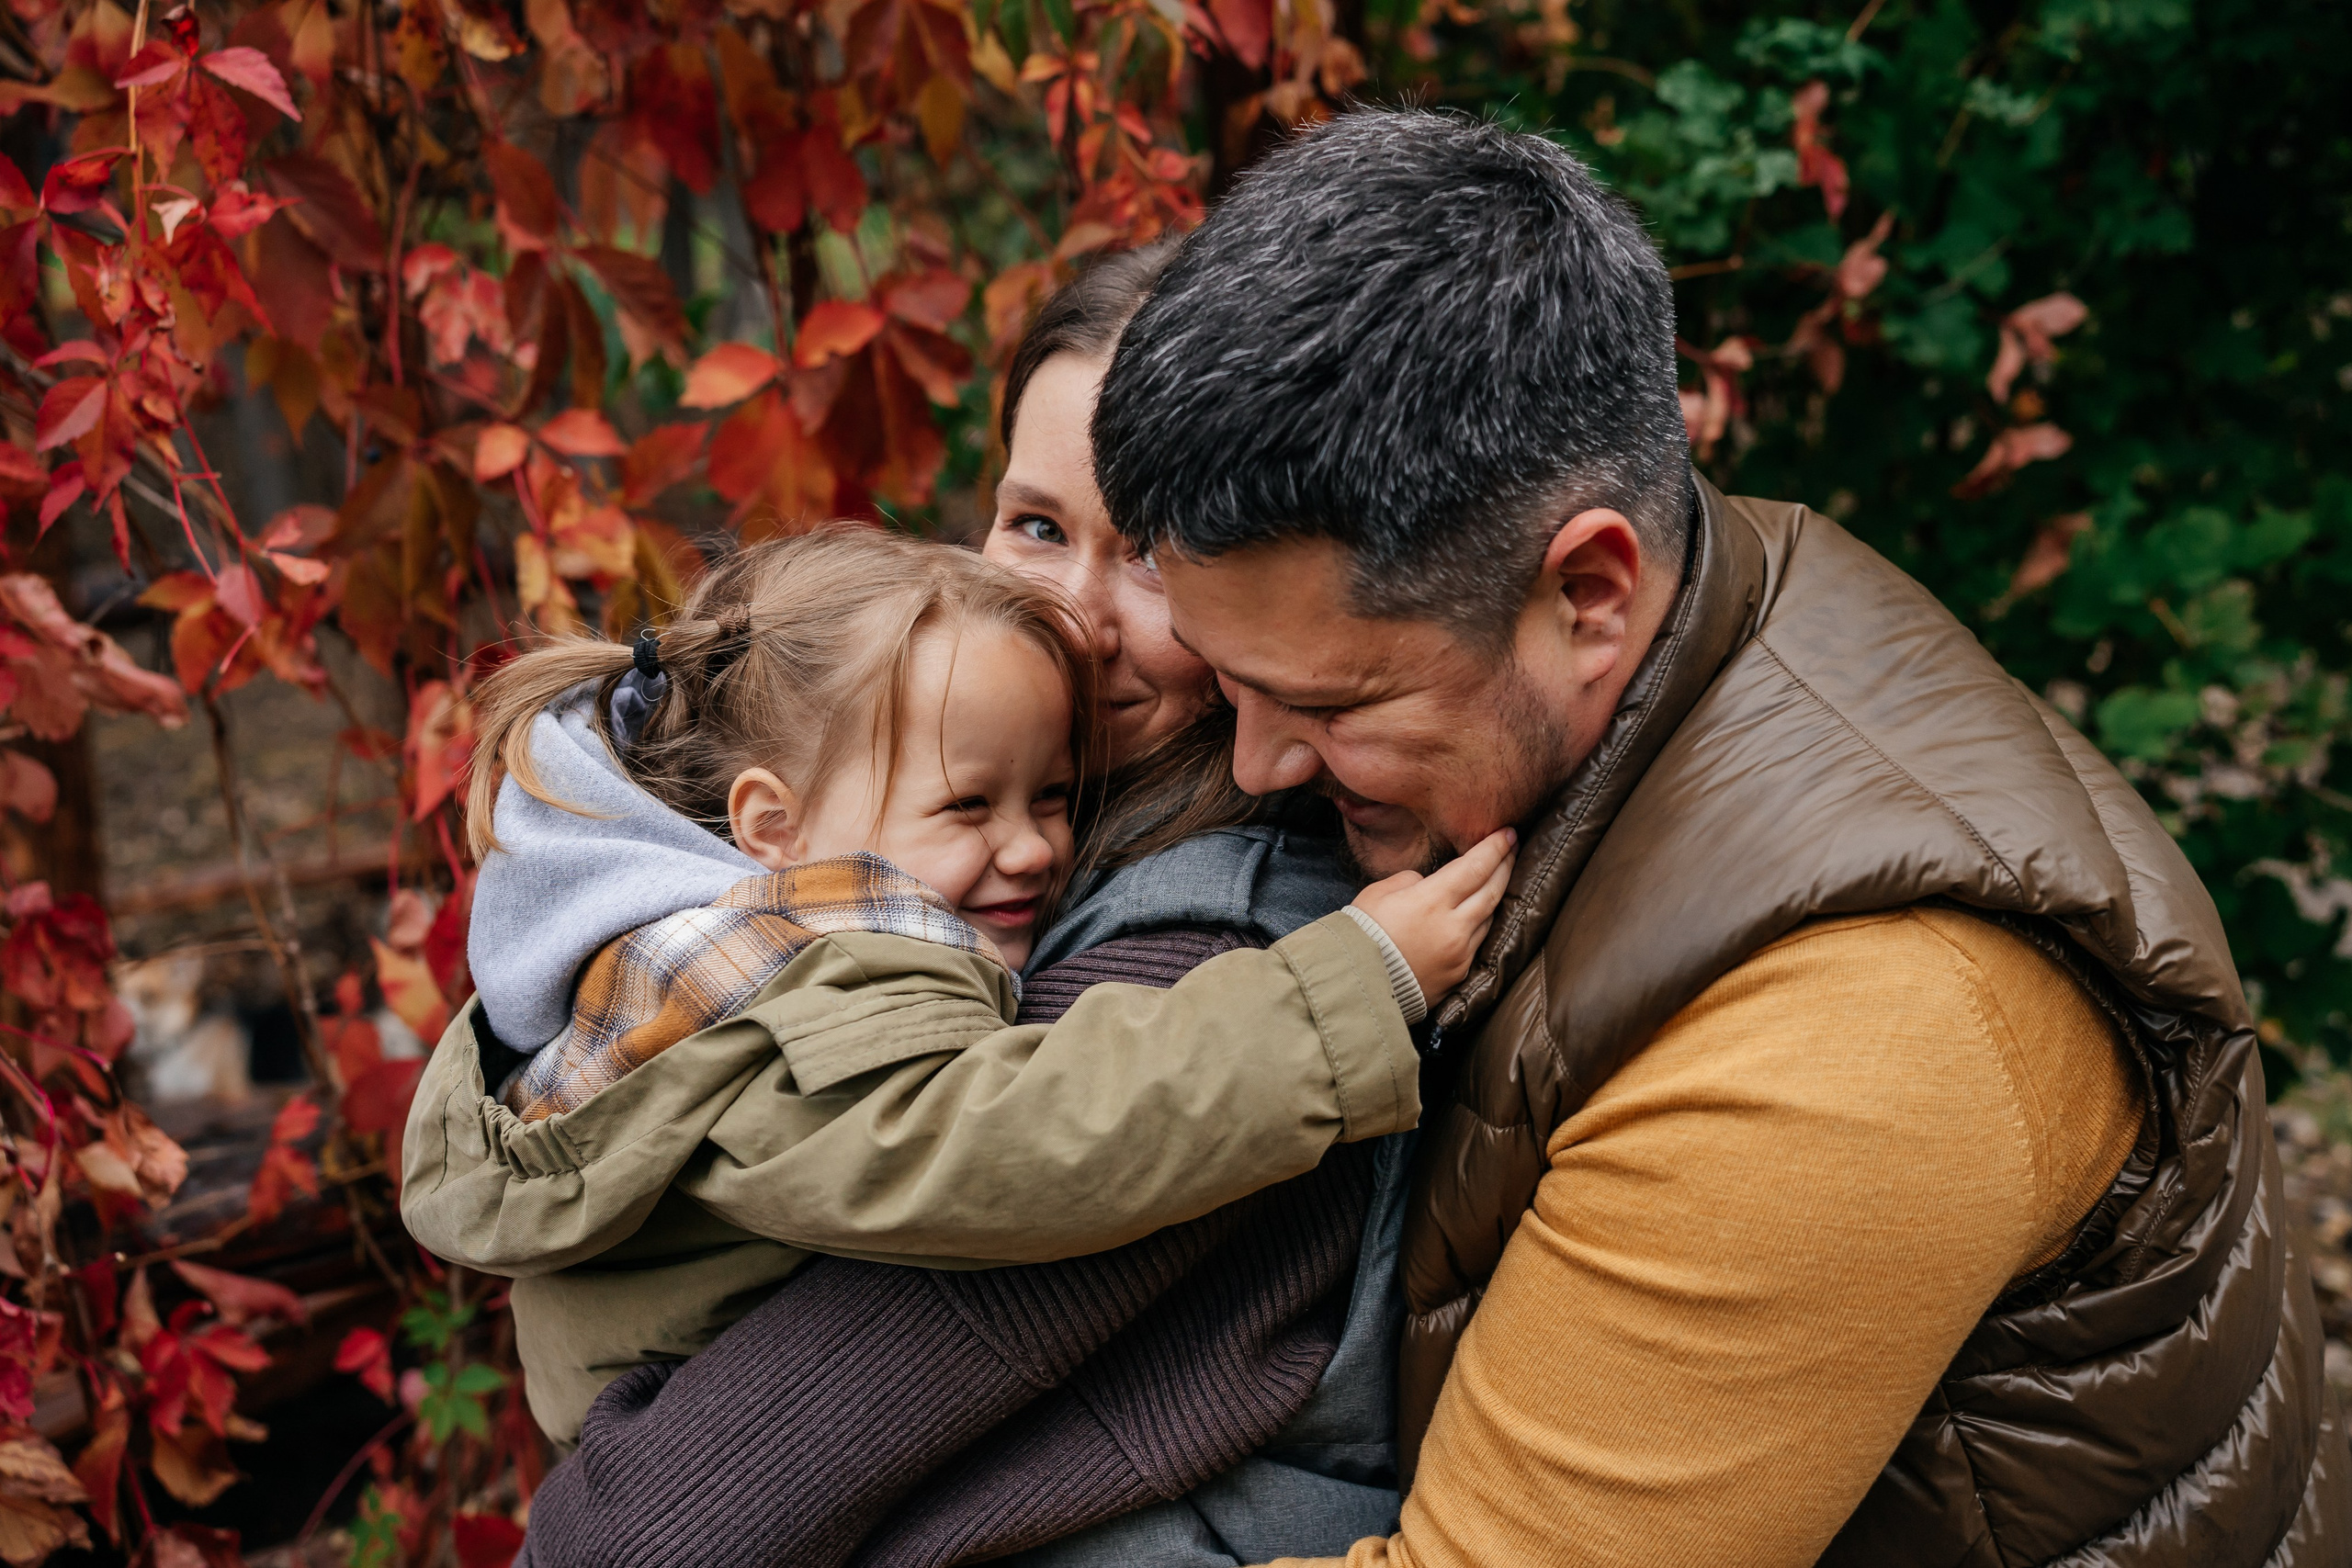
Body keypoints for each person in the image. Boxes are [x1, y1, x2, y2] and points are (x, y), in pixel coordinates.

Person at [1083, 108, 2350, 1565]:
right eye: (1229, 678)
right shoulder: (1705, 588)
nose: (1256, 759)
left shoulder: (1851, 1035)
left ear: (1592, 589)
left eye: (1329, 700)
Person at [498, 250, 1443, 1568]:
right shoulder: (977, 830)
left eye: (1160, 558)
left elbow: (662, 1523)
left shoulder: (1203, 951)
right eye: (1038, 525)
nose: (1072, 616)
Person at [400, 528, 1514, 1452]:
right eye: (968, 807)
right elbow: (1022, 1142)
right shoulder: (804, 995)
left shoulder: (702, 946)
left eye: (1053, 796)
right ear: (771, 825)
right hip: (692, 1432)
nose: (1032, 849)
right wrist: (1346, 993)